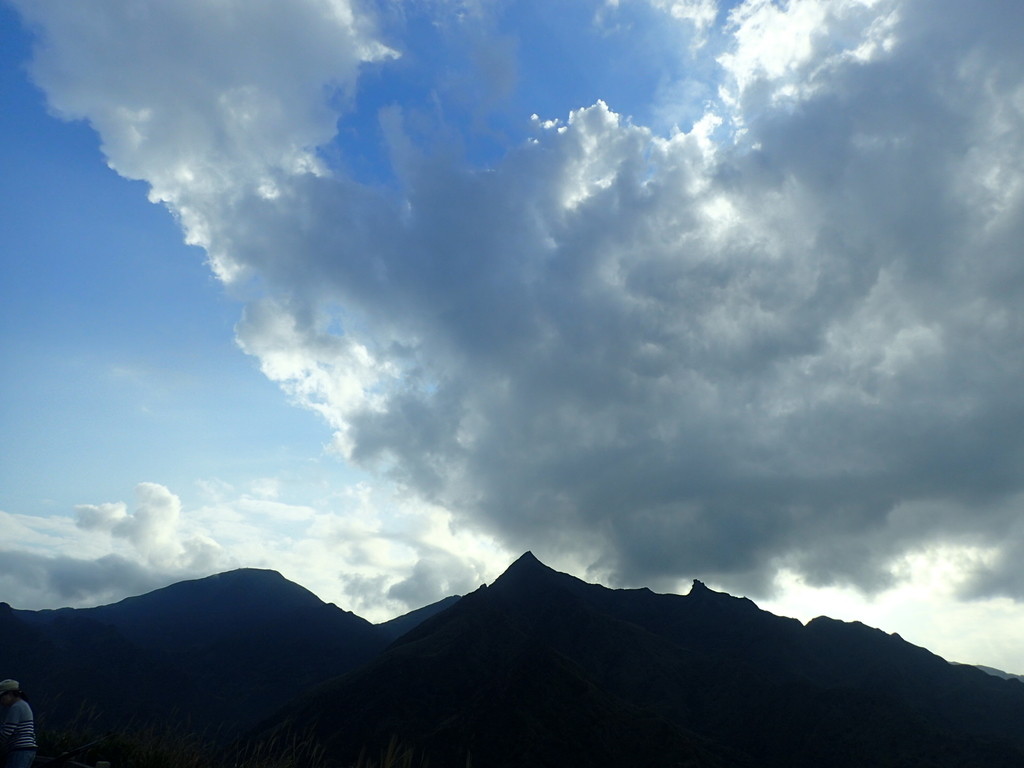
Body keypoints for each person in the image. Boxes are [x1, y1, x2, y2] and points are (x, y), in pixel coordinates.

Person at [0, 680, 36, 768]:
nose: (1, 700)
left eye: (1, 697)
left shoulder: (16, 707)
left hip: (20, 749)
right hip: (26, 749)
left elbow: (7, 731)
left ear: (10, 694)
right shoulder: (23, 705)